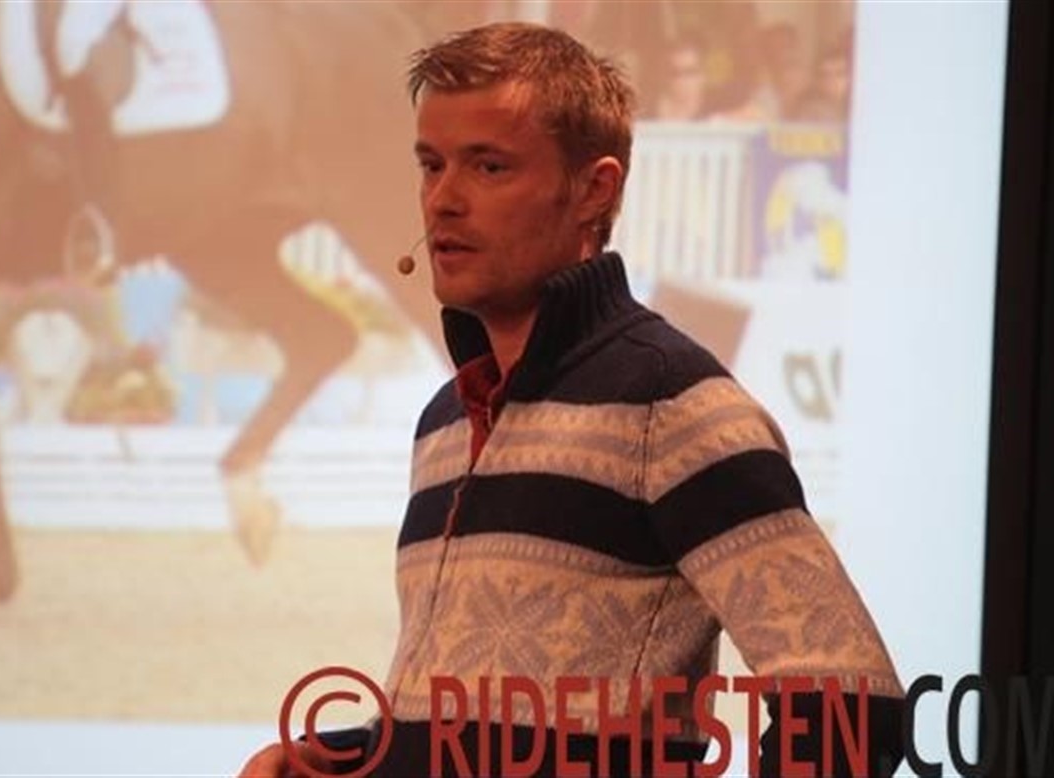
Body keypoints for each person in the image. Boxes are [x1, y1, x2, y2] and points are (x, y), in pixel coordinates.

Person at [241, 22, 904, 777]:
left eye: (489, 166)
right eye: (431, 165)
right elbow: (464, 725)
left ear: (595, 189)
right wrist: (342, 760)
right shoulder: (445, 421)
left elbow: (855, 708)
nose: (443, 199)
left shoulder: (674, 407)